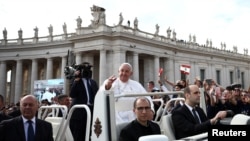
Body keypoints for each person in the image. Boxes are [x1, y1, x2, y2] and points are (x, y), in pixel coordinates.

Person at [70, 62, 99, 141]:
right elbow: (72, 94)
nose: (87, 72)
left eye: (88, 70)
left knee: (90, 134)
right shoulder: (76, 81)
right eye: (84, 70)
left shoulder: (93, 82)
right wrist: (76, 80)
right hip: (79, 112)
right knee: (79, 135)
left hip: (91, 110)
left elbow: (97, 95)